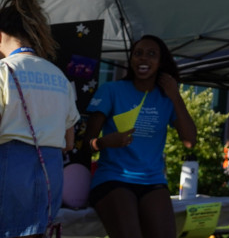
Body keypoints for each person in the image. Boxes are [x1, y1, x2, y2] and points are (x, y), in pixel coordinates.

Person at [84, 35, 197, 238]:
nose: (143, 58)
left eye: (151, 54)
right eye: (138, 54)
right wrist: (103, 142)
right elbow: (86, 143)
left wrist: (176, 96)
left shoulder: (166, 98)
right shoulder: (111, 90)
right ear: (131, 60)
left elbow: (190, 142)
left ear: (161, 62)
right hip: (113, 178)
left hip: (152, 181)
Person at [0, 0, 79, 238]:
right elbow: (69, 142)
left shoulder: (4, 71)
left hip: (9, 172)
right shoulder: (60, 77)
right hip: (50, 175)